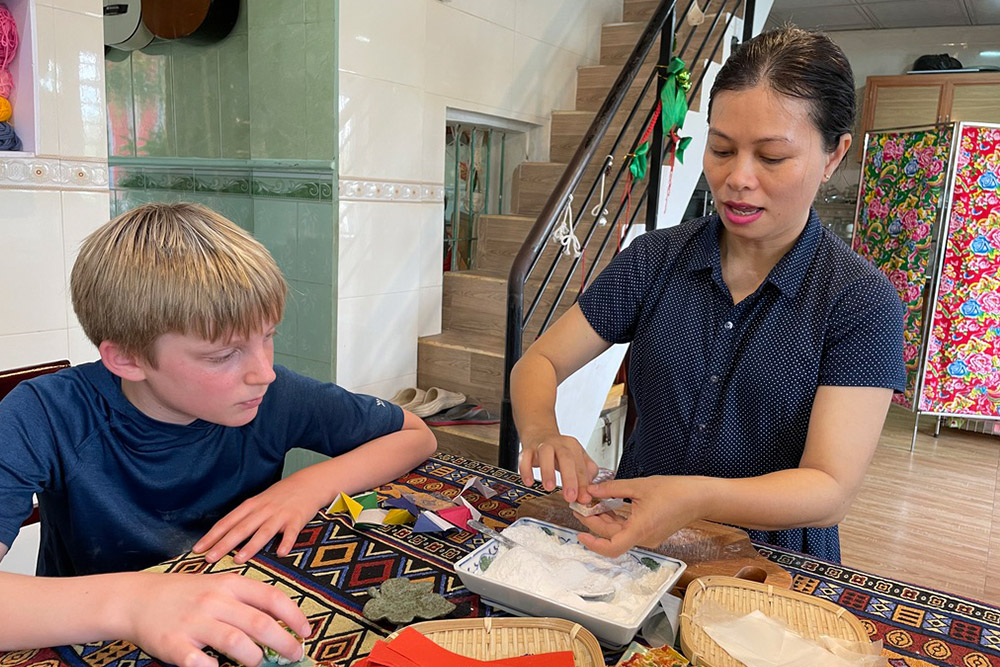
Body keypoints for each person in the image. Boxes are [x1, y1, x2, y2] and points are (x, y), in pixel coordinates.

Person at [511, 26, 905, 563]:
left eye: (771, 157)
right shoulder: (656, 260)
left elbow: (829, 488)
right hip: (637, 547)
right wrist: (542, 430)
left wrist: (695, 495)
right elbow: (540, 360)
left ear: (834, 155)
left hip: (768, 568)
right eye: (720, 149)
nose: (736, 178)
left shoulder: (858, 300)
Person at [0, 203, 437, 667]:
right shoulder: (44, 413)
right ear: (128, 359)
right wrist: (132, 603)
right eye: (222, 355)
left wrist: (305, 487)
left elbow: (416, 435)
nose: (263, 372)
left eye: (268, 335)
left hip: (240, 611)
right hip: (95, 633)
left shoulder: (275, 395)